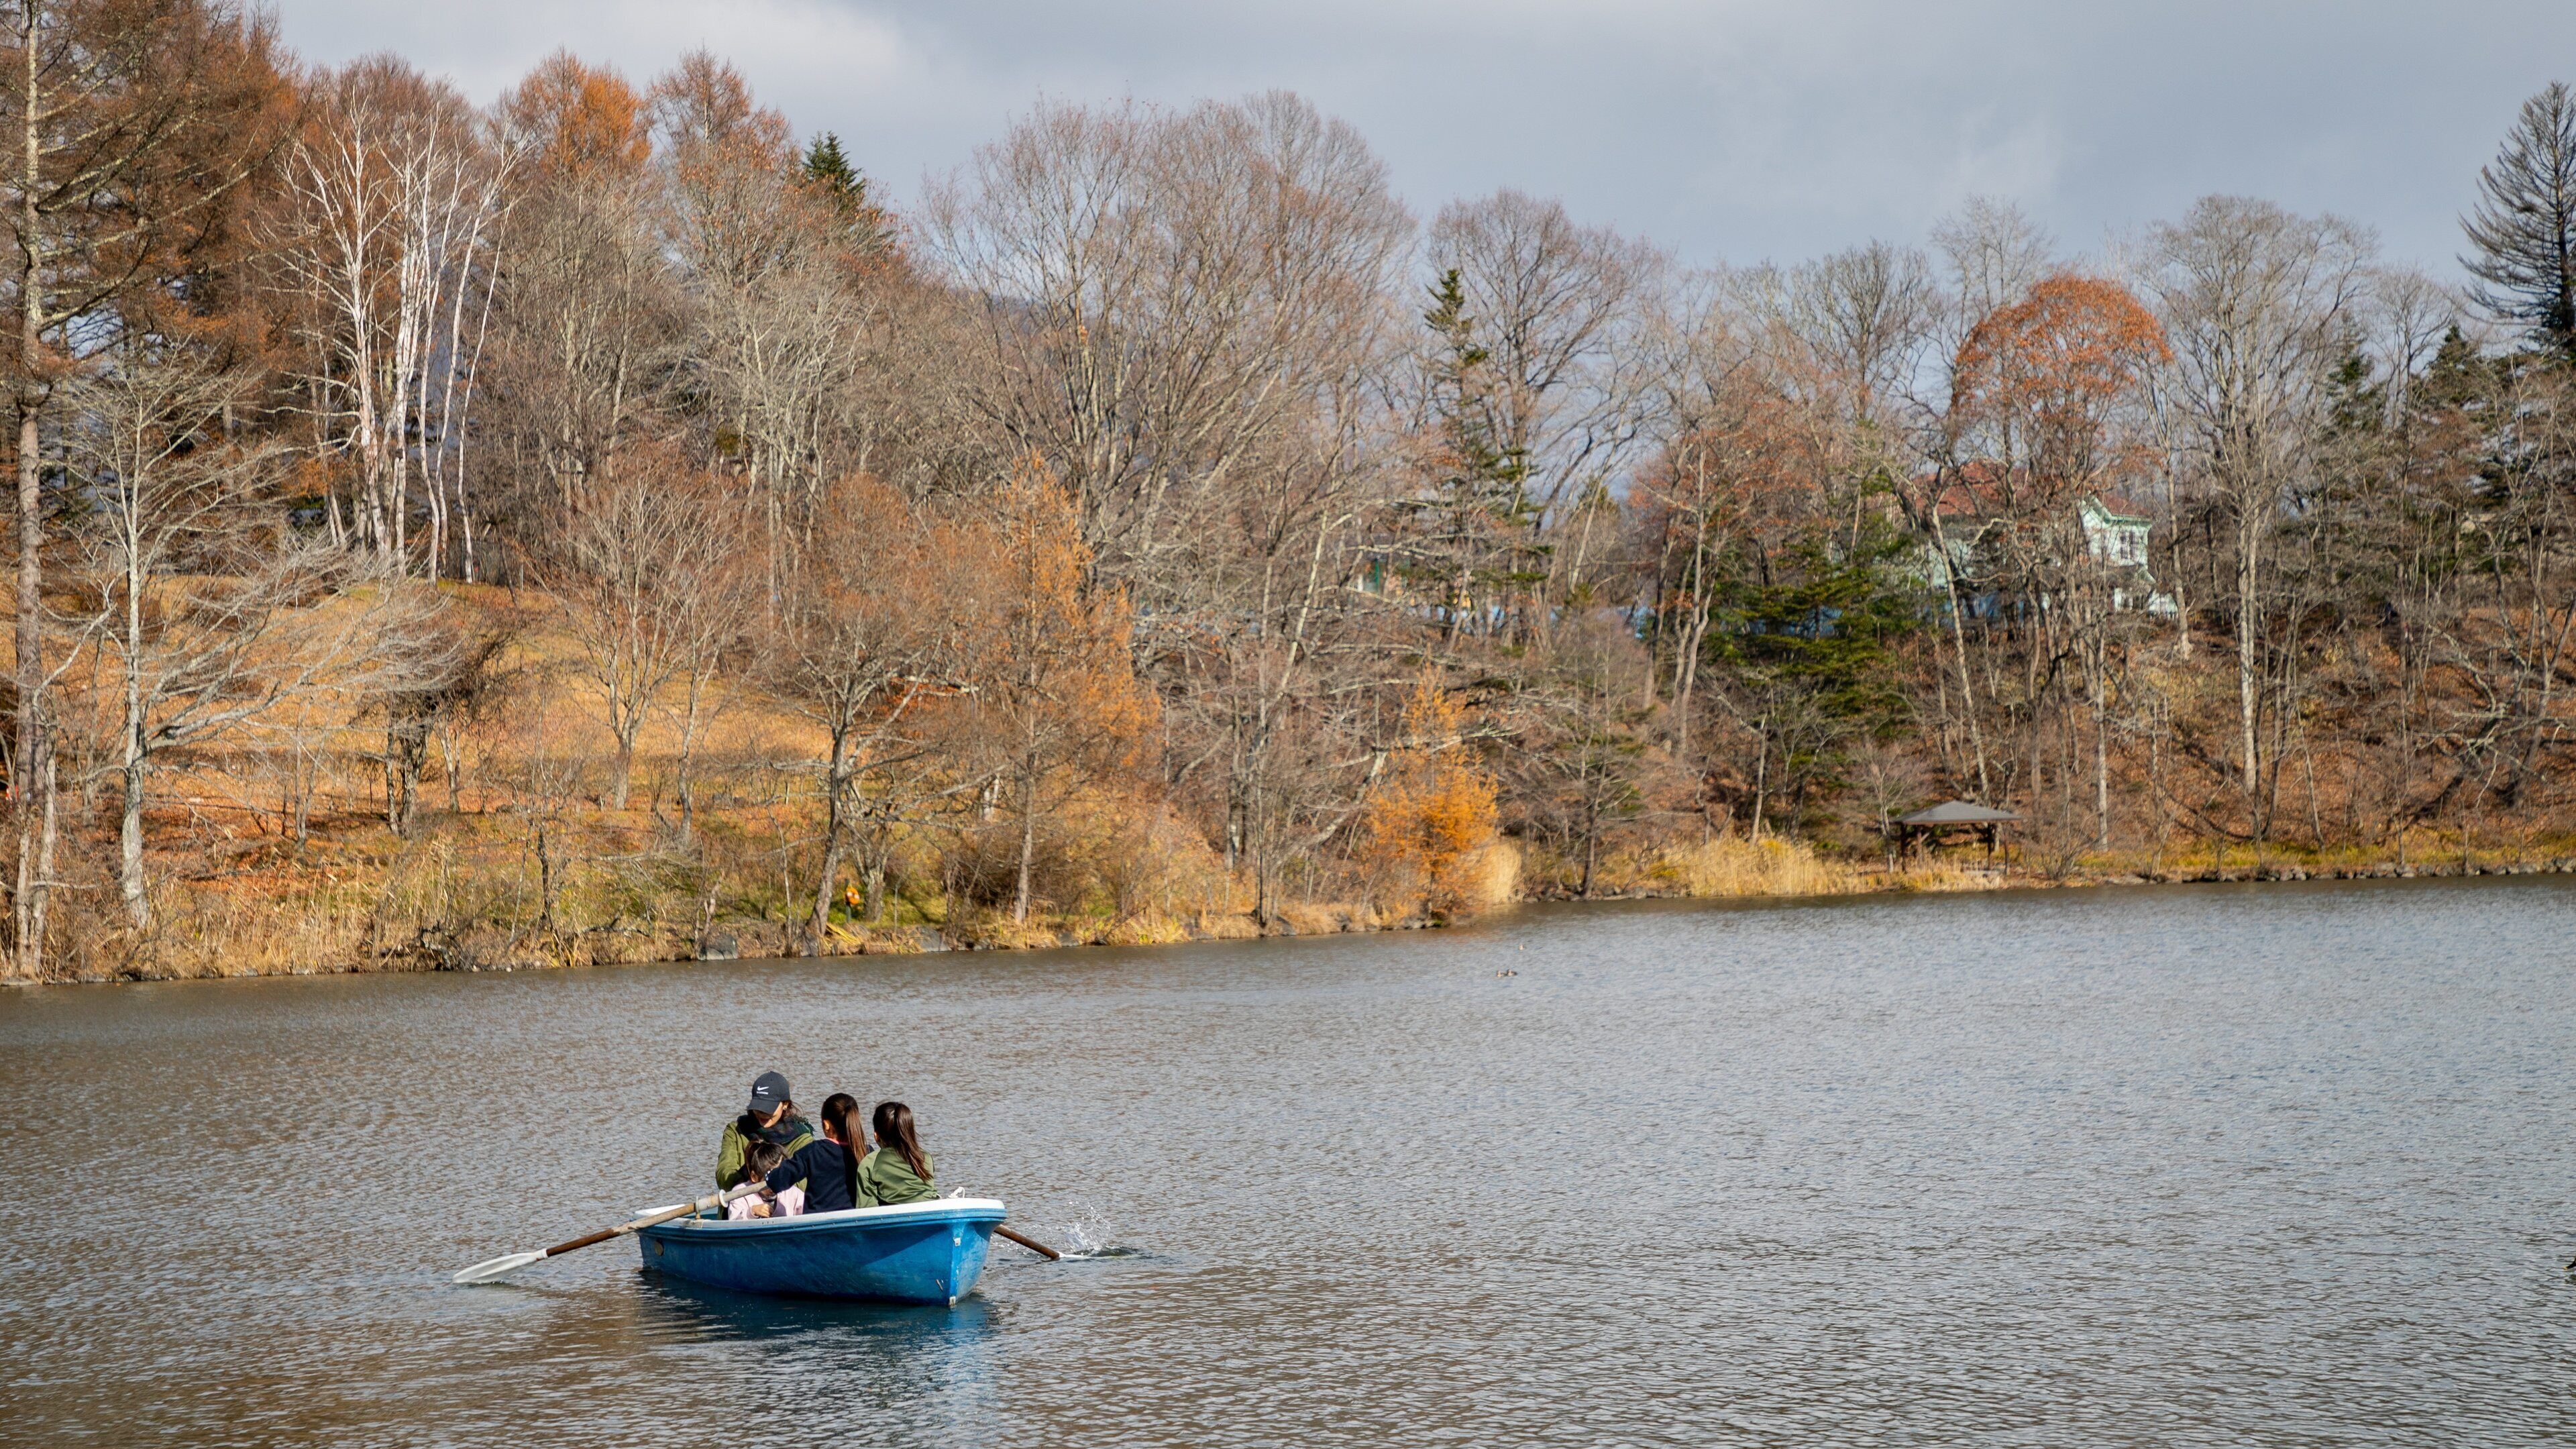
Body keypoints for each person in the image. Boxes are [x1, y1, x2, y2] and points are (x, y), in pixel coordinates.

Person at [765, 1093, 867, 1214]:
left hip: (817, 1222)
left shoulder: (813, 1151)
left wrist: (769, 1176)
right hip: (853, 1221)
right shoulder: (866, 1153)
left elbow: (778, 1181)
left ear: (826, 1125)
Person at [717, 1071, 813, 1191]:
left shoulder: (803, 1140)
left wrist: (769, 1181)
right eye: (759, 1107)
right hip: (741, 1205)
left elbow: (803, 1185)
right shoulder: (735, 1131)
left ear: (785, 1104)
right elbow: (723, 1173)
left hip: (783, 1208)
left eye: (768, 1108)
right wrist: (749, 1183)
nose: (762, 1113)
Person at [856, 1101, 939, 1206]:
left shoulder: (869, 1163)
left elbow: (867, 1209)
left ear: (876, 1136)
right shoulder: (925, 1157)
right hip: (932, 1212)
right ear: (908, 1131)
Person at [727, 1141, 804, 1219]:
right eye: (772, 1179)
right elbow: (734, 1222)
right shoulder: (740, 1194)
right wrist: (751, 1212)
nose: (777, 1184)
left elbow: (809, 1212)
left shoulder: (792, 1193)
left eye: (781, 1177)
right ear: (754, 1177)